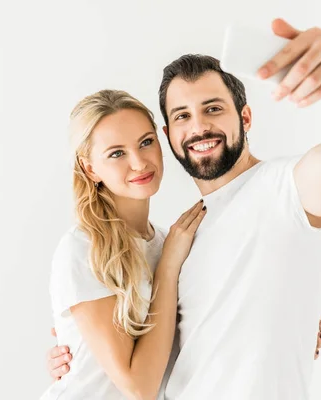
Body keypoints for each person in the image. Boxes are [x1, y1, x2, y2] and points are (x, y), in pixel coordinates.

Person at [48, 18, 321, 399]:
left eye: (213, 108)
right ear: (170, 135)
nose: (199, 127)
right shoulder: (178, 238)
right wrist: (79, 354)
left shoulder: (284, 190)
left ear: (245, 117)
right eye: (182, 116)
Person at [39, 89, 208, 400]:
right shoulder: (82, 249)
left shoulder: (169, 243)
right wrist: (168, 269)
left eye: (146, 142)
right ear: (90, 168)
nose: (139, 162)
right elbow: (138, 388)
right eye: (116, 153)